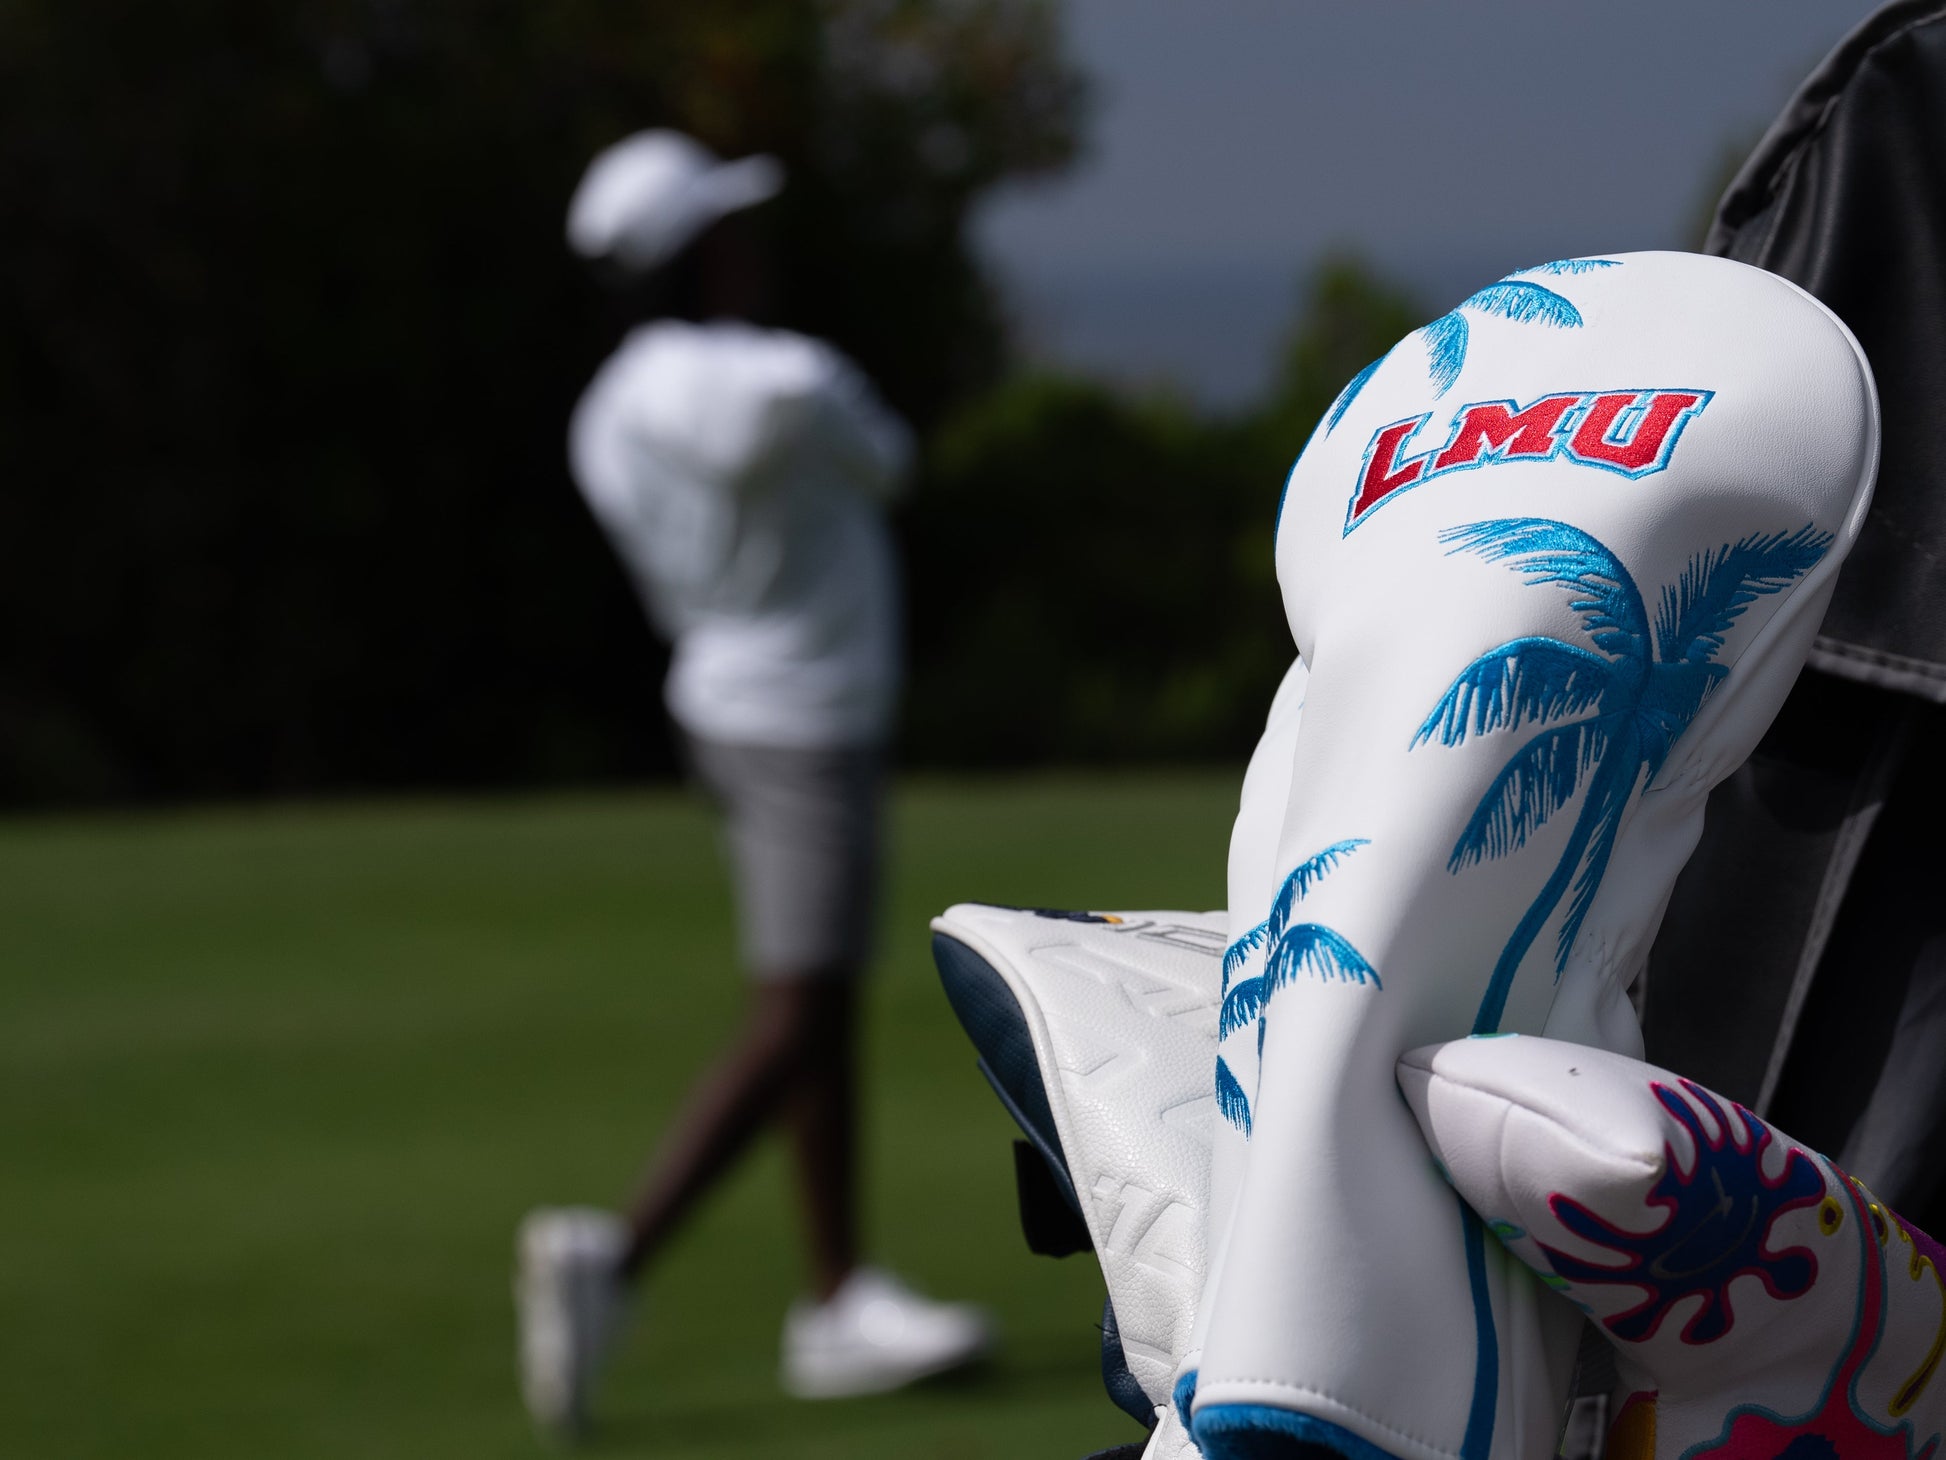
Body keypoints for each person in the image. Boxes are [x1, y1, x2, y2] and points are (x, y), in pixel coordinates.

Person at [515, 129, 990, 1440]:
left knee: (818, 1006)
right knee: (802, 1011)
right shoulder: (784, 376)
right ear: (696, 254)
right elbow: (888, 458)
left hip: (720, 706)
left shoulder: (604, 413)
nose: (752, 246)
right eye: (728, 229)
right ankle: (614, 1262)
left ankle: (836, 1296)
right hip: (807, 719)